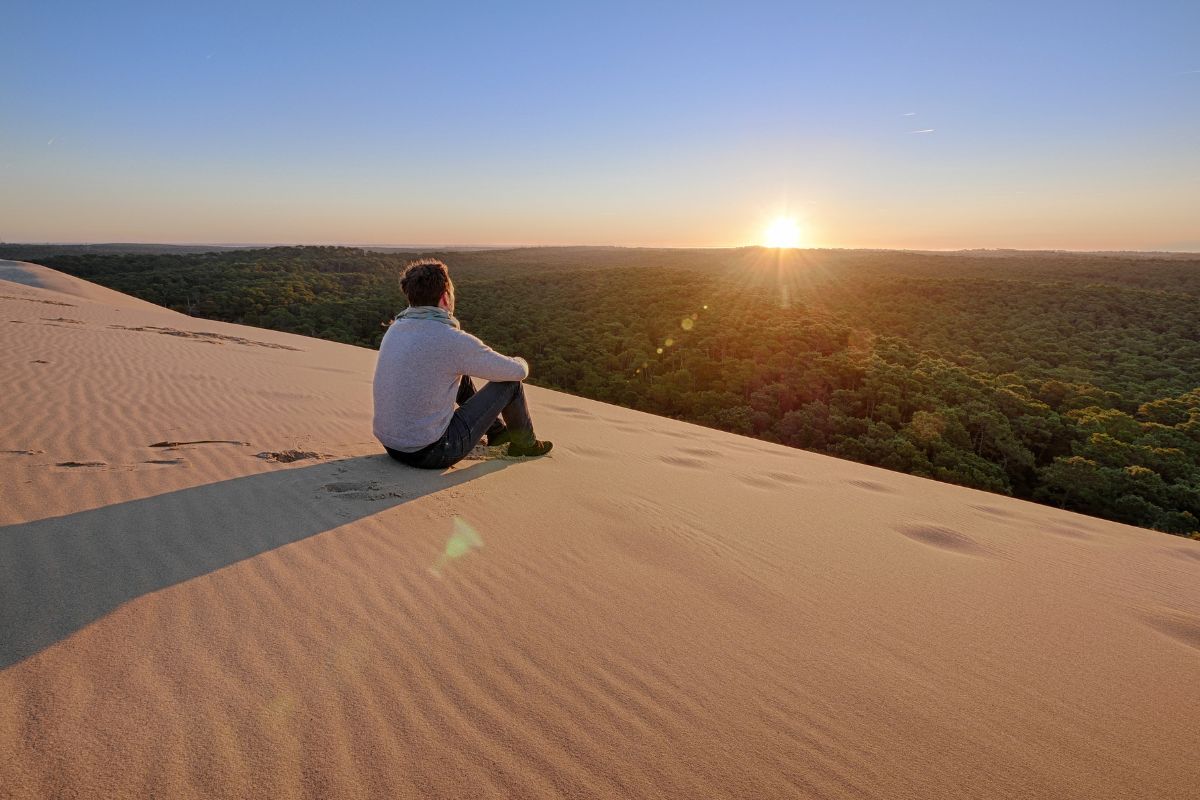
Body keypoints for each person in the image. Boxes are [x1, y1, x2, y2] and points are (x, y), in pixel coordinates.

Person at [373, 259, 552, 469]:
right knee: (511, 383)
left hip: (392, 446)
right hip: (431, 452)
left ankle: (497, 433)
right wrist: (520, 359)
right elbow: (517, 371)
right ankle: (525, 445)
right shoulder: (451, 339)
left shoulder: (396, 327)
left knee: (459, 375)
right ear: (445, 297)